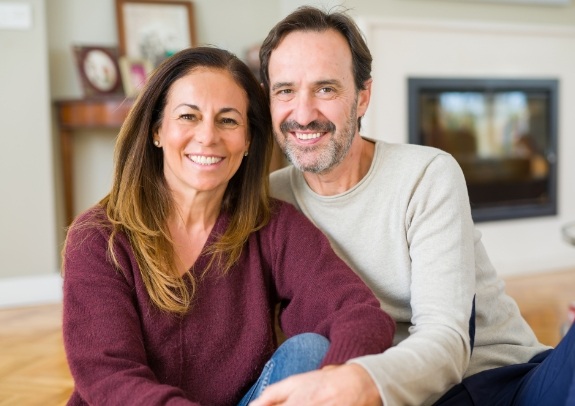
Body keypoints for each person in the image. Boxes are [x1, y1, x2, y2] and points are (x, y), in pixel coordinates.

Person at [251, 6, 575, 406]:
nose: (302, 114)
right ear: (268, 99)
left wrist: (357, 382)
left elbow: (446, 338)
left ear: (362, 96)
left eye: (325, 89)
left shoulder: (427, 174)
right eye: (286, 90)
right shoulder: (268, 201)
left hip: (508, 382)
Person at [61, 46, 396, 406]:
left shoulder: (272, 227)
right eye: (188, 116)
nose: (208, 136)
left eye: (228, 120)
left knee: (310, 352)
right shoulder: (98, 238)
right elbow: (109, 377)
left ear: (249, 139)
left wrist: (336, 379)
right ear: (157, 130)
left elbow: (357, 311)